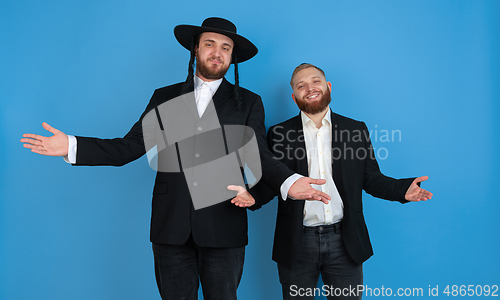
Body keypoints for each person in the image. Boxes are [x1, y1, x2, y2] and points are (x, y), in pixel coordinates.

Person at [20, 18, 331, 300]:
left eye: (225, 48)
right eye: (209, 44)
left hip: (224, 225)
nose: (217, 52)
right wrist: (72, 146)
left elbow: (259, 155)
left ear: (232, 57)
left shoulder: (248, 102)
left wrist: (289, 182)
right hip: (171, 226)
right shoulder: (163, 97)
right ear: (196, 49)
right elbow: (130, 147)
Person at [250, 63, 433, 300]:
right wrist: (250, 196)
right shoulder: (278, 132)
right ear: (294, 98)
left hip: (345, 241)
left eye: (315, 81)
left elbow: (371, 178)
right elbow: (273, 181)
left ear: (328, 87)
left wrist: (401, 189)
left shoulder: (355, 129)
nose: (310, 88)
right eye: (301, 85)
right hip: (296, 241)